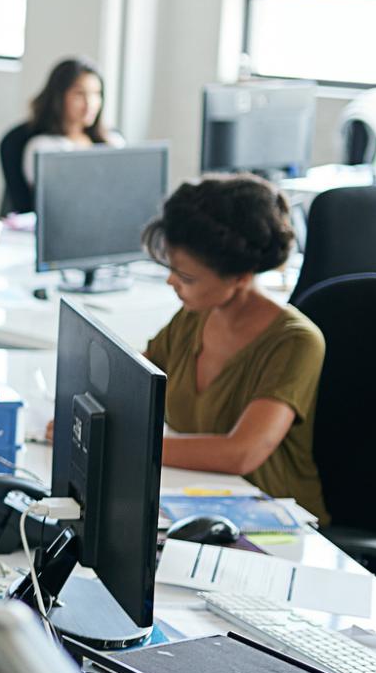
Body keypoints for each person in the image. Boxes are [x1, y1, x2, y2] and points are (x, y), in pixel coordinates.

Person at [139, 174, 327, 520]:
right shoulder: (196, 313)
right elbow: (133, 378)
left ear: (241, 277)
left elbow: (240, 453)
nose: (171, 281)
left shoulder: (295, 342)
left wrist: (130, 445)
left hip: (271, 522)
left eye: (187, 277)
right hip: (197, 501)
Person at [22, 57, 124, 185]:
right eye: (80, 94)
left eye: (96, 94)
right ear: (59, 97)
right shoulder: (43, 148)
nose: (90, 104)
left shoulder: (113, 140)